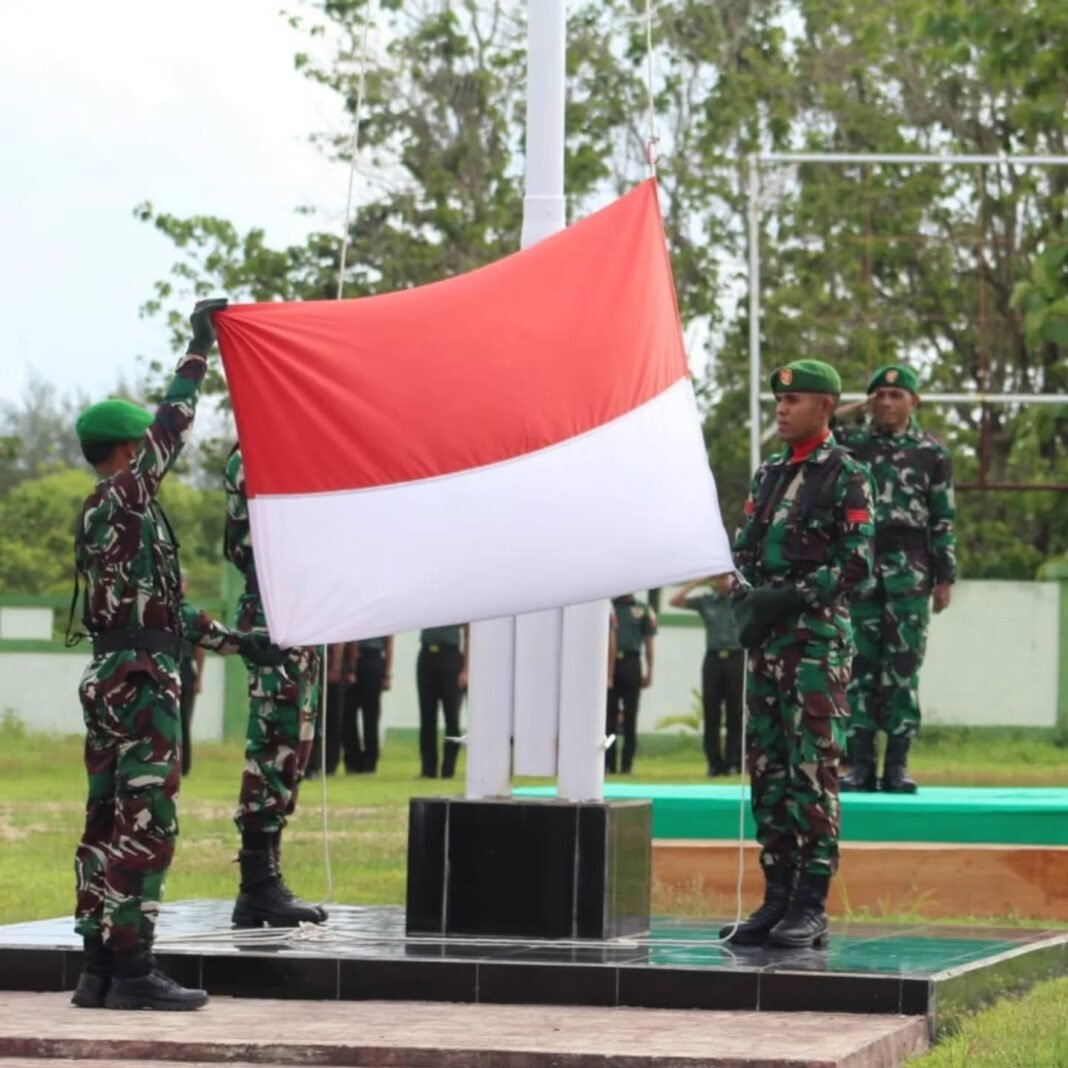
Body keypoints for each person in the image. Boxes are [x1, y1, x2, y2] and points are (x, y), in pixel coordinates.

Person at [69, 299, 284, 1011]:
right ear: (127, 451)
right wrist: (199, 351)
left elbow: (166, 611)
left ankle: (99, 968)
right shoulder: (124, 498)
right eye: (144, 446)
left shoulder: (108, 514)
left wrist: (238, 642)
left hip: (116, 677)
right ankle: (134, 971)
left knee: (108, 822)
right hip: (140, 686)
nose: (153, 454)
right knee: (146, 822)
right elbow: (173, 425)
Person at [725, 359, 874, 949]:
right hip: (767, 644)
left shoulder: (846, 474)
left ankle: (811, 903)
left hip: (814, 645)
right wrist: (744, 593)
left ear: (825, 407)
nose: (782, 410)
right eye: (779, 402)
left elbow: (856, 563)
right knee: (769, 770)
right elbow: (745, 549)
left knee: (812, 769)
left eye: (795, 401)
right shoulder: (768, 474)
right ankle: (777, 895)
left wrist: (789, 598)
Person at [834, 365, 956, 793]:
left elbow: (942, 518)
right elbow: (817, 428)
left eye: (896, 395)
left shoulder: (931, 453)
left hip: (910, 573)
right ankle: (860, 766)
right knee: (858, 670)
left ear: (913, 402)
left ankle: (898, 766)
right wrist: (857, 407)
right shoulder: (851, 445)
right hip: (861, 572)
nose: (887, 402)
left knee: (902, 671)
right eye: (880, 395)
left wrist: (944, 577)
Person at [225, 445, 327, 928]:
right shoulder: (255, 450)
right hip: (273, 613)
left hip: (298, 612)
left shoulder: (286, 443)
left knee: (293, 750)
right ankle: (258, 885)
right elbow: (257, 540)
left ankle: (267, 880)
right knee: (273, 746)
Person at [670, 577, 744, 777]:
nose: (723, 581)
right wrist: (696, 582)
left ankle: (732, 762)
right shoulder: (706, 601)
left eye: (726, 577)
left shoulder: (741, 600)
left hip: (736, 658)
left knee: (734, 714)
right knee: (711, 712)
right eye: (719, 577)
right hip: (713, 659)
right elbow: (674, 601)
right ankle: (713, 763)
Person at [605, 594, 657, 774]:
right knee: (608, 719)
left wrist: (649, 670)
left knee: (630, 716)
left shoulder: (642, 609)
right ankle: (609, 763)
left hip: (632, 663)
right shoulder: (608, 607)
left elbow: (649, 642)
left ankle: (627, 764)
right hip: (610, 664)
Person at [416, 625, 468, 779]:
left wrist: (465, 669)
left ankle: (448, 769)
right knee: (427, 716)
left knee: (451, 716)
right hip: (427, 653)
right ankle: (428, 769)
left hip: (450, 656)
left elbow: (469, 634)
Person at [344, 636, 394, 773]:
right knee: (348, 714)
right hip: (350, 658)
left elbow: (389, 643)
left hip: (372, 658)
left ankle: (370, 761)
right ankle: (352, 760)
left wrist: (387, 674)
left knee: (371, 714)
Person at [177, 576, 205, 777]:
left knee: (184, 719)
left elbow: (200, 648)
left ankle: (183, 765)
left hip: (184, 667)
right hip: (165, 663)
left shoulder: (189, 613)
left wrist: (199, 677)